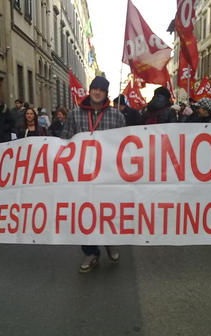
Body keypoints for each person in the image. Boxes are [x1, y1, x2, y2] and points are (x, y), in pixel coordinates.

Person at [61, 75, 126, 273]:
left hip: (108, 174)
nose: (97, 92)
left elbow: (124, 145)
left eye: (101, 89)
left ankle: (110, 241)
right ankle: (91, 252)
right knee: (84, 213)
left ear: (106, 93)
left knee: (107, 210)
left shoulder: (117, 116)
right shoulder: (74, 114)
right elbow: (65, 140)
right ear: (89, 91)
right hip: (81, 175)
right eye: (94, 88)